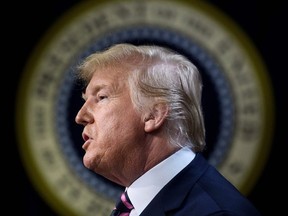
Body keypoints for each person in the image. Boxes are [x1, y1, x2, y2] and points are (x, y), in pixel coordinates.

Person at [74, 43, 261, 216]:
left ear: (153, 115)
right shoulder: (134, 206)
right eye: (85, 101)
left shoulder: (216, 213)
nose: (80, 116)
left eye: (101, 97)